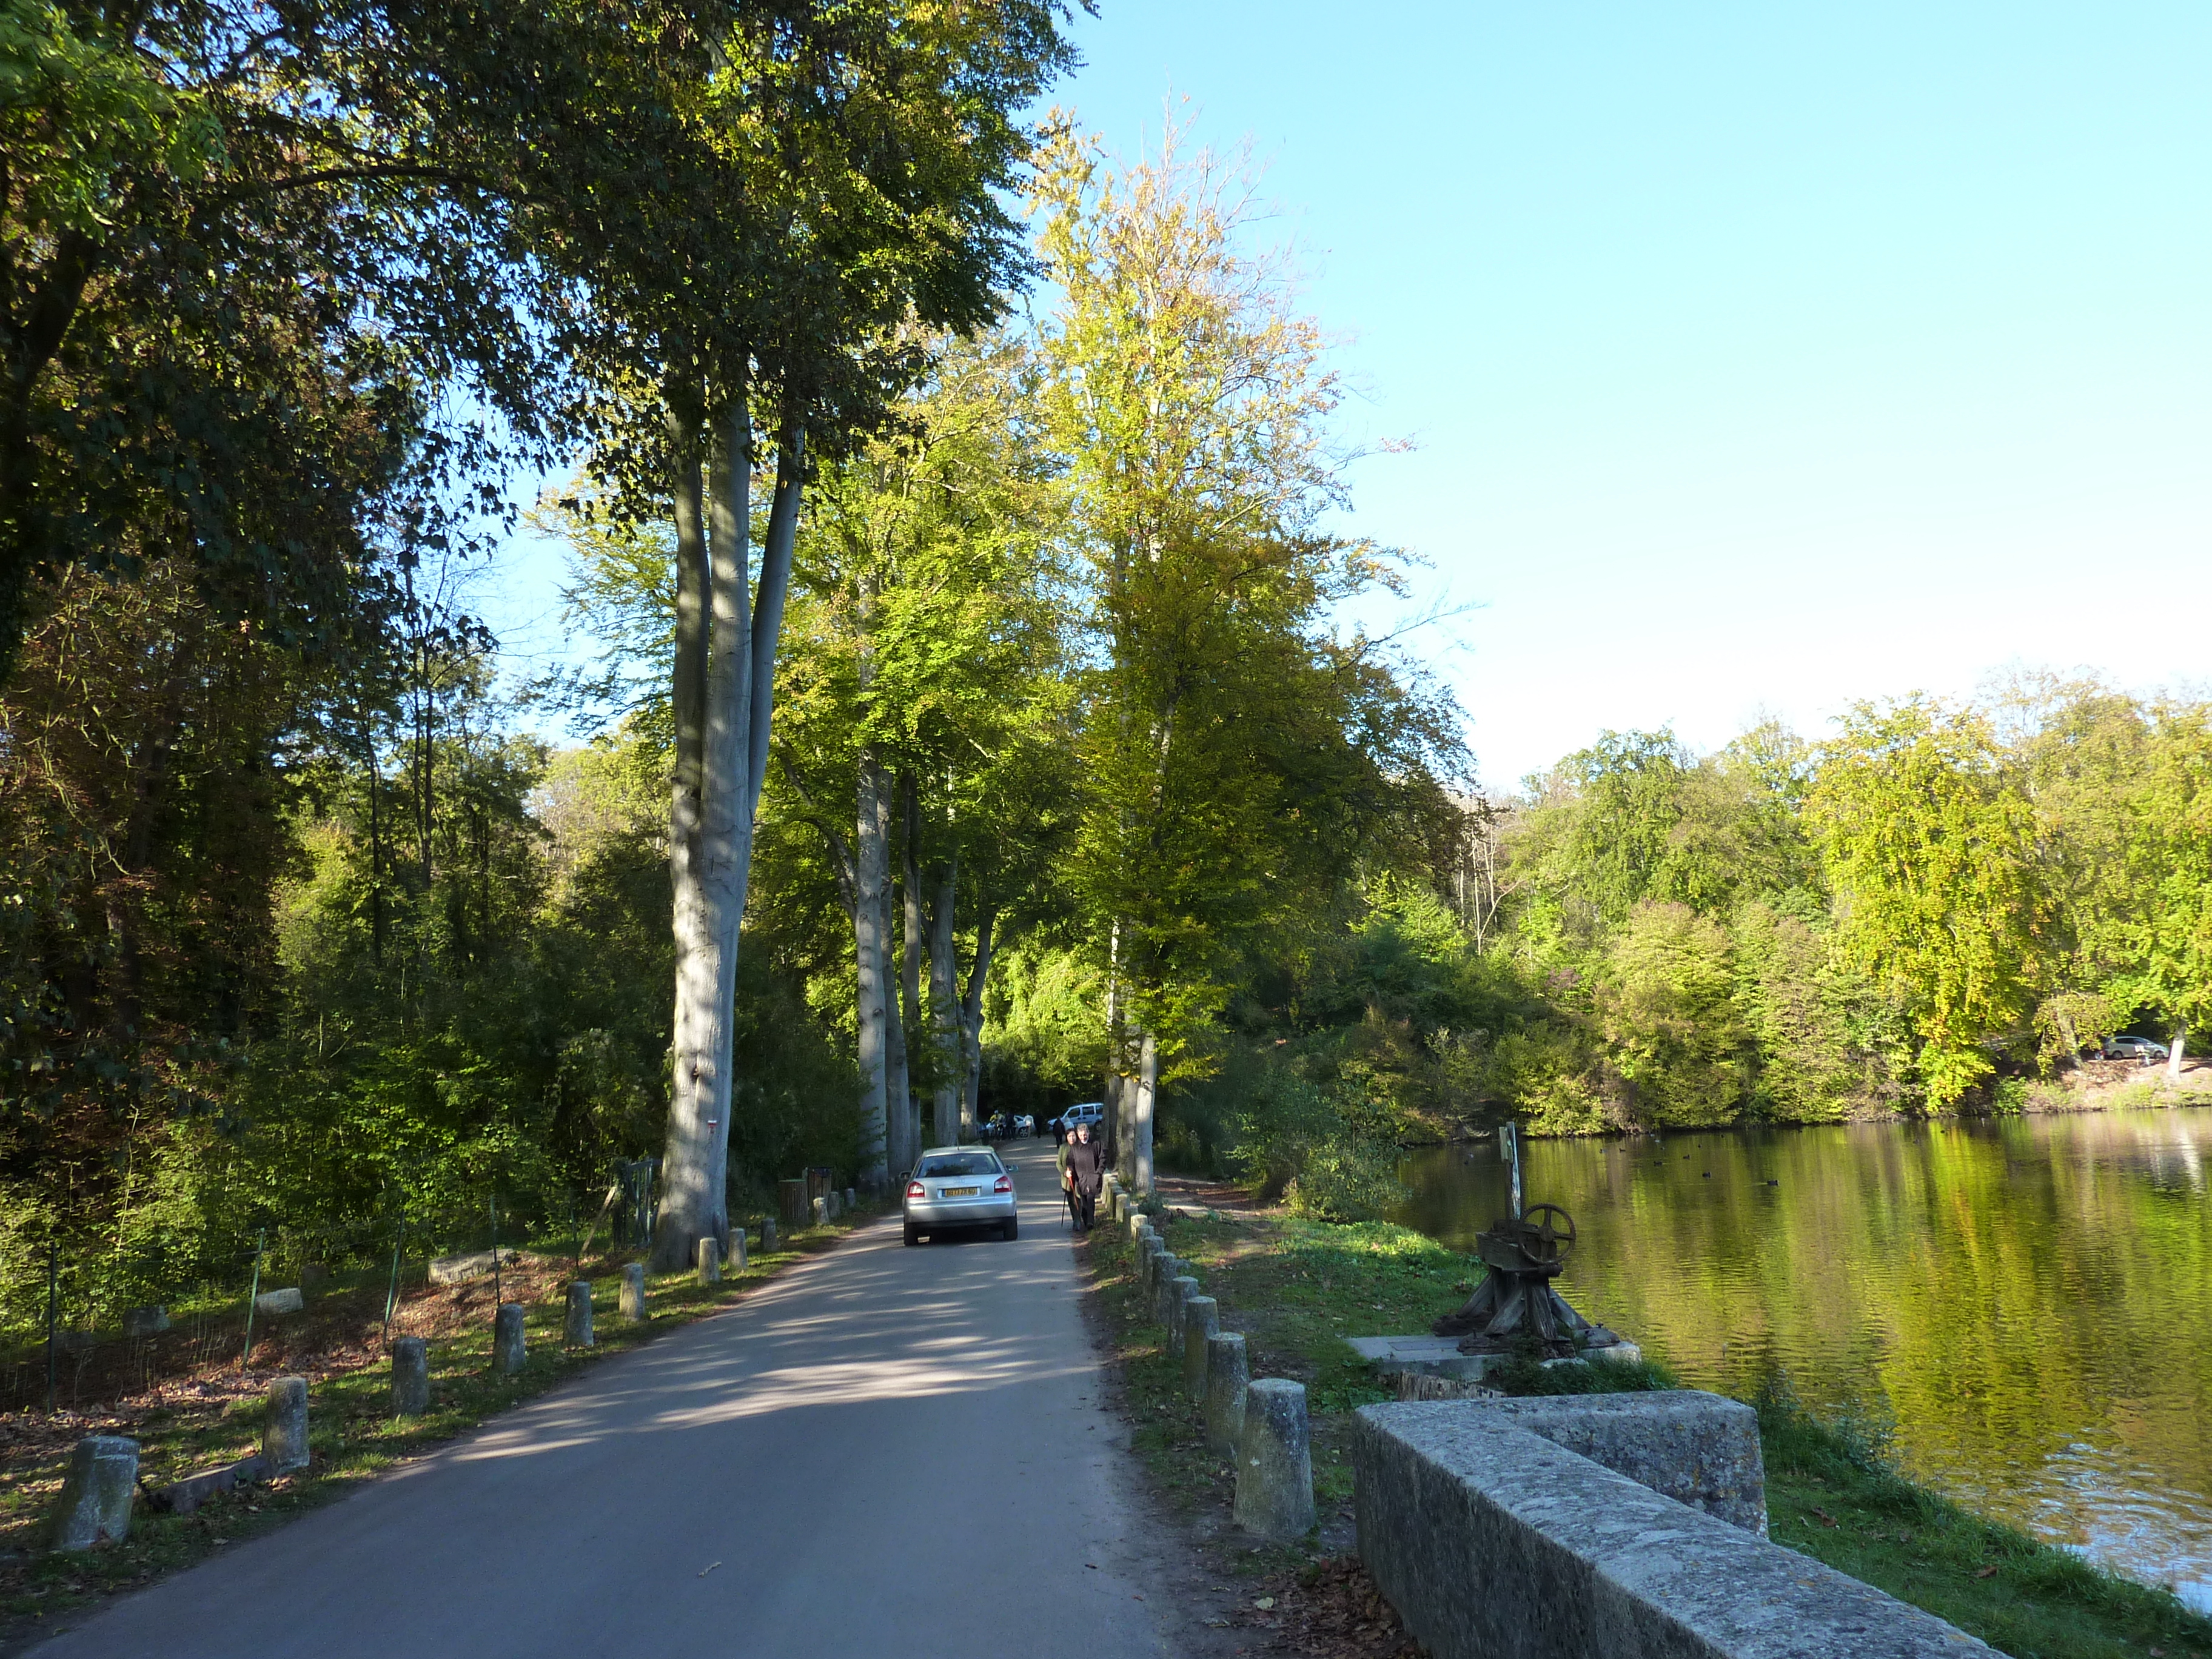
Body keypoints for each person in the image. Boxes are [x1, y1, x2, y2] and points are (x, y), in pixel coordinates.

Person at [1064, 1121, 1104, 1232]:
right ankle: (1086, 1221)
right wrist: (1069, 1170)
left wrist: (1099, 1172)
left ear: (1088, 1133)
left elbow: (1102, 1158)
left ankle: (1091, 1222)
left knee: (1091, 1198)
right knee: (1084, 1201)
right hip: (1081, 1178)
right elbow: (1070, 1161)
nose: (1083, 1137)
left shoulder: (1095, 1144)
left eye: (1085, 1135)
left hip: (1093, 1176)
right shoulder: (1075, 1147)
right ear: (1078, 1134)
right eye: (1081, 1135)